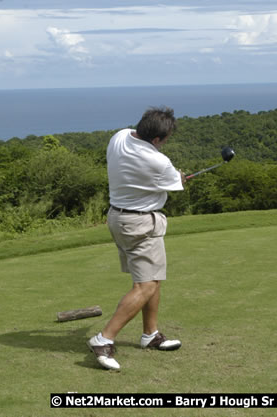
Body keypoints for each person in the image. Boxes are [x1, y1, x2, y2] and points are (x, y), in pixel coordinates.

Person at [89, 106, 185, 371]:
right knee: (146, 285)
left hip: (118, 217)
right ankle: (103, 339)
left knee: (151, 278)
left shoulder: (119, 137)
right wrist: (180, 178)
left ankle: (150, 334)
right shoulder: (158, 161)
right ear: (157, 140)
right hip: (141, 223)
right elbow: (175, 183)